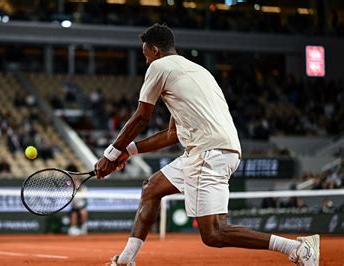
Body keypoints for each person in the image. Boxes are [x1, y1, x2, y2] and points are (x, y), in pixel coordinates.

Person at [94, 23, 319, 266]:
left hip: (207, 153)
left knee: (214, 233)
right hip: (215, 150)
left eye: (146, 56)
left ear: (155, 50)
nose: (147, 62)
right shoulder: (198, 72)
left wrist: (110, 154)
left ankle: (297, 248)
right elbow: (172, 135)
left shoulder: (159, 67)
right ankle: (127, 260)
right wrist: (128, 151)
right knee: (151, 188)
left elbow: (141, 117)